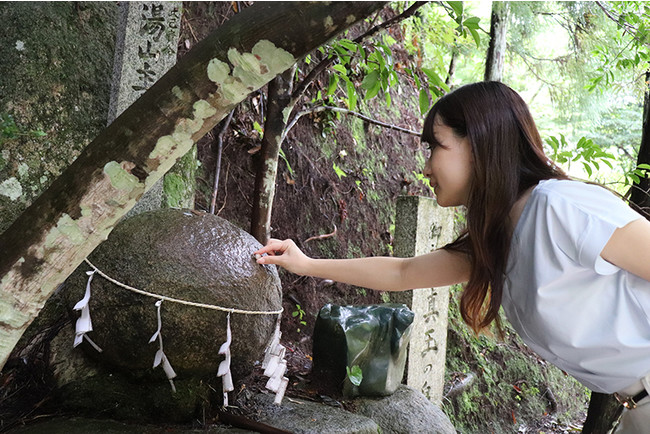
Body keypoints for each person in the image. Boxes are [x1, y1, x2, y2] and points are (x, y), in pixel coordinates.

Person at [253, 81, 650, 433]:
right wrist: (304, 264)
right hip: (635, 407)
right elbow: (404, 271)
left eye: (436, 147)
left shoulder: (559, 207)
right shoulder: (499, 237)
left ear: (480, 146)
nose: (425, 166)